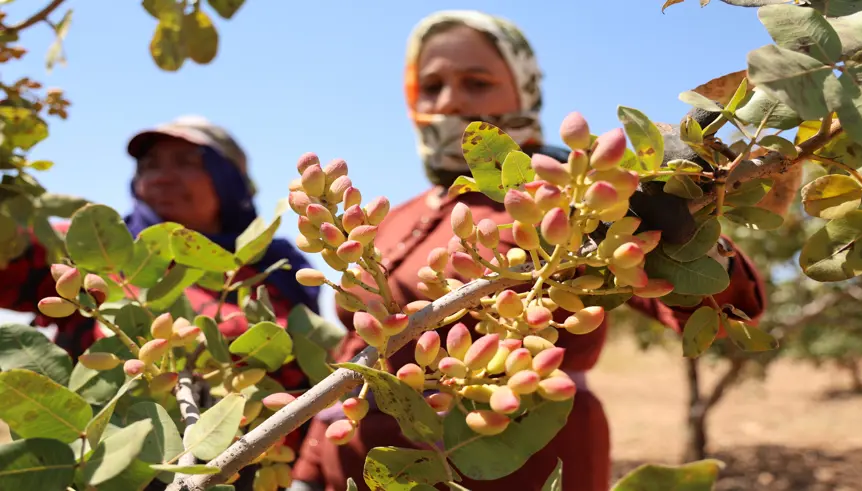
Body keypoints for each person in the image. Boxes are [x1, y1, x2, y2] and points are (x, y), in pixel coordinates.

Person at [289, 10, 768, 491]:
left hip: (522, 467)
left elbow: (727, 313)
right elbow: (353, 362)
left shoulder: (577, 200)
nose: (451, 100)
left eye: (476, 82)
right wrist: (308, 476)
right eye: (431, 87)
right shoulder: (390, 218)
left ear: (524, 89)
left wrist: (693, 230)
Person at [0, 115, 322, 490]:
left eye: (187, 162)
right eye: (149, 166)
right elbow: (15, 256)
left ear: (228, 178)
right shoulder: (92, 252)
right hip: (98, 472)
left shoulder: (277, 270)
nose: (161, 177)